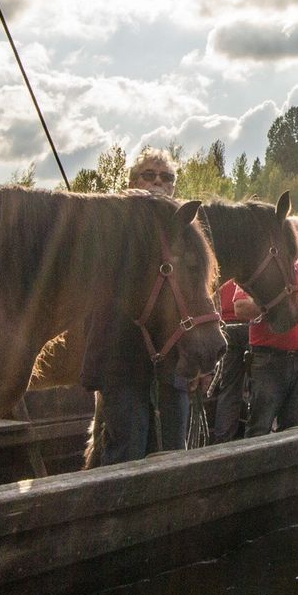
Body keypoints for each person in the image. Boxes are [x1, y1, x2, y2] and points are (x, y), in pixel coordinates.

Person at [86, 148, 188, 462]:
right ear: (132, 181)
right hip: (122, 358)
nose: (158, 182)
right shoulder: (110, 221)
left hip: (172, 363)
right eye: (149, 175)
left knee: (172, 452)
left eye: (166, 177)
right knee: (125, 451)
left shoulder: (185, 231)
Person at [239, 215, 298, 436]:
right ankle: (254, 470)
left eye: (297, 237)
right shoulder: (260, 268)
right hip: (268, 359)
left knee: (293, 428)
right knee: (259, 426)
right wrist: (280, 305)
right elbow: (241, 309)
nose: (291, 242)